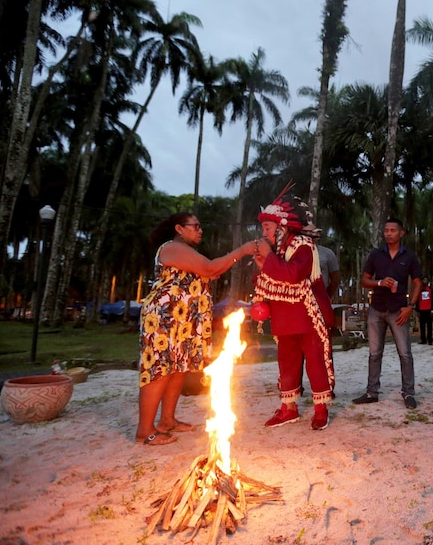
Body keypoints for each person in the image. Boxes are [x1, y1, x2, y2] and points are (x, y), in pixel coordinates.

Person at [136, 213, 257, 445]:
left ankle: (167, 420)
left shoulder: (186, 251)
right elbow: (210, 269)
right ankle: (144, 431)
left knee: (179, 368)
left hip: (183, 319)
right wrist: (242, 250)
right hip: (164, 317)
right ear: (179, 229)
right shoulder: (171, 247)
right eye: (196, 226)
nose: (200, 230)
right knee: (159, 370)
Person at [253, 187, 335, 430]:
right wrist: (264, 264)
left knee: (315, 361)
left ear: (283, 227)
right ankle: (289, 408)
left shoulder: (304, 246)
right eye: (264, 228)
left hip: (308, 316)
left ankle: (321, 408)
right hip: (283, 317)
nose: (264, 232)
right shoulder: (275, 251)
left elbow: (293, 275)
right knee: (286, 362)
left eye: (267, 227)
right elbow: (263, 280)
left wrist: (268, 260)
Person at [353, 218, 422, 409]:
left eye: (393, 230)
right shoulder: (376, 255)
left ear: (401, 233)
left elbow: (417, 282)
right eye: (386, 230)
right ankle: (371, 392)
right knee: (374, 353)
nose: (389, 233)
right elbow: (364, 280)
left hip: (398, 310)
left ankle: (408, 393)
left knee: (405, 353)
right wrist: (379, 282)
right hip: (377, 309)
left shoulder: (409, 256)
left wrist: (411, 306)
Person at [416, 276, 433, 345]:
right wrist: (417, 310)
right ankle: (423, 339)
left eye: (426, 280)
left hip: (429, 309)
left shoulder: (430, 289)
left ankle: (430, 340)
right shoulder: (419, 289)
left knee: (429, 326)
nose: (425, 281)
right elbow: (417, 300)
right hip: (421, 310)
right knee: (422, 326)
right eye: (424, 280)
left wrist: (432, 309)